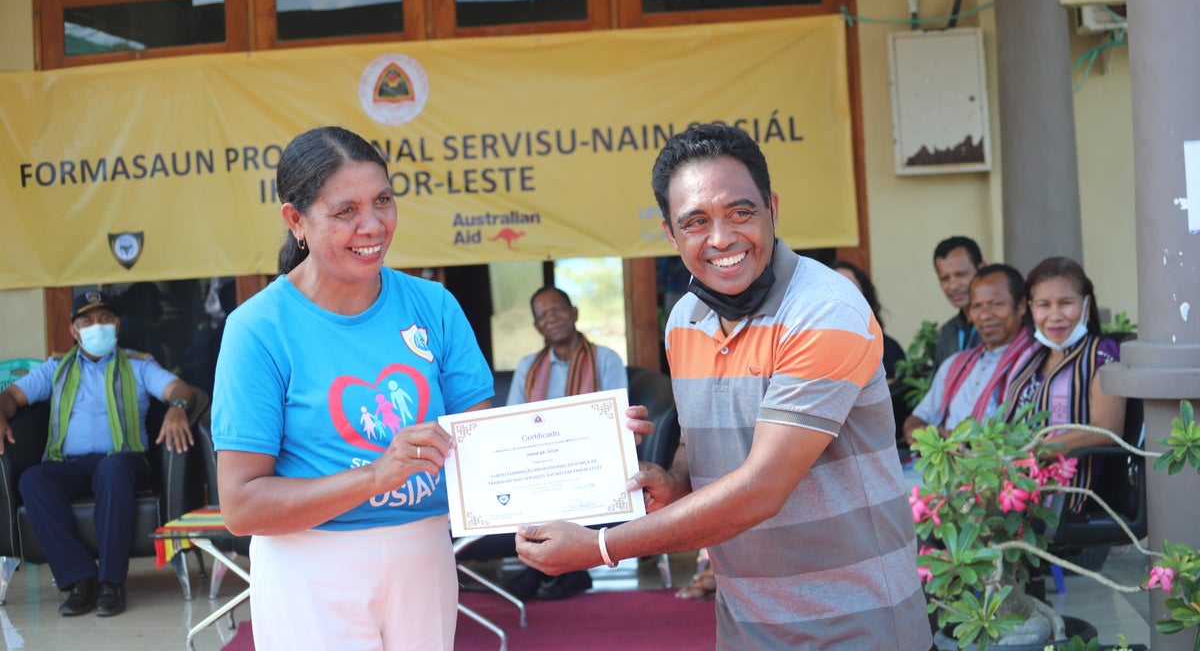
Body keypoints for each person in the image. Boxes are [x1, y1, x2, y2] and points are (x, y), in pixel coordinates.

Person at [210, 126, 651, 651]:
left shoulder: (434, 306)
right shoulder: (258, 328)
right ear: (295, 220)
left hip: (426, 553)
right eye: (345, 210)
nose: (372, 225)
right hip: (309, 567)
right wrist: (376, 475)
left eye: (383, 201)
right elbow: (241, 505)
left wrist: (595, 447)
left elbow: (488, 454)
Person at [516, 123, 931, 650]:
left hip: (855, 625)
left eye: (740, 213)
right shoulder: (684, 319)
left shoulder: (825, 310)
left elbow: (762, 489)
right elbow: (699, 439)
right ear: (671, 234)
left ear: (772, 209)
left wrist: (600, 547)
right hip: (745, 626)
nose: (721, 238)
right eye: (696, 221)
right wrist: (673, 482)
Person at [0, 290, 201, 618]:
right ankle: (80, 580)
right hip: (71, 466)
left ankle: (111, 583)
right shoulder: (55, 368)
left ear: (117, 324)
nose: (98, 326)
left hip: (125, 461)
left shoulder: (139, 365)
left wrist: (178, 406)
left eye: (105, 319)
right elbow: (11, 396)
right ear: (74, 331)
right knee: (33, 479)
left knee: (112, 468)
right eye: (88, 321)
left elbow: (180, 389)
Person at [502, 286, 629, 600]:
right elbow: (513, 423)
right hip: (541, 461)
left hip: (590, 460)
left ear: (573, 314)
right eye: (543, 316)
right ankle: (551, 570)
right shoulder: (527, 367)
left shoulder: (606, 359)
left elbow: (616, 419)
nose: (552, 318)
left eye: (557, 310)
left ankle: (551, 570)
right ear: (537, 327)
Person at [1002, 256, 1124, 512]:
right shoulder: (1030, 357)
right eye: (1044, 305)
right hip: (1017, 480)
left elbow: (1106, 428)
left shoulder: (1101, 354)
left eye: (1066, 303)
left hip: (1070, 493)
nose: (1054, 316)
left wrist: (1030, 452)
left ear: (1086, 305)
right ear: (1030, 308)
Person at [903, 263, 1034, 447]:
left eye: (996, 304)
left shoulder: (1035, 364)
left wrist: (959, 441)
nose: (985, 315)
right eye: (977, 306)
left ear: (1021, 306)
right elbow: (918, 418)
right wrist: (916, 432)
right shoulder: (955, 364)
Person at [831, 259, 908, 438]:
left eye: (852, 290)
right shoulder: (809, 350)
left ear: (866, 298)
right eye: (836, 290)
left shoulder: (888, 348)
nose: (844, 299)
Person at [931, 236, 985, 370]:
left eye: (960, 275)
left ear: (982, 269)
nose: (953, 286)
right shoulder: (947, 332)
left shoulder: (997, 324)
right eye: (945, 278)